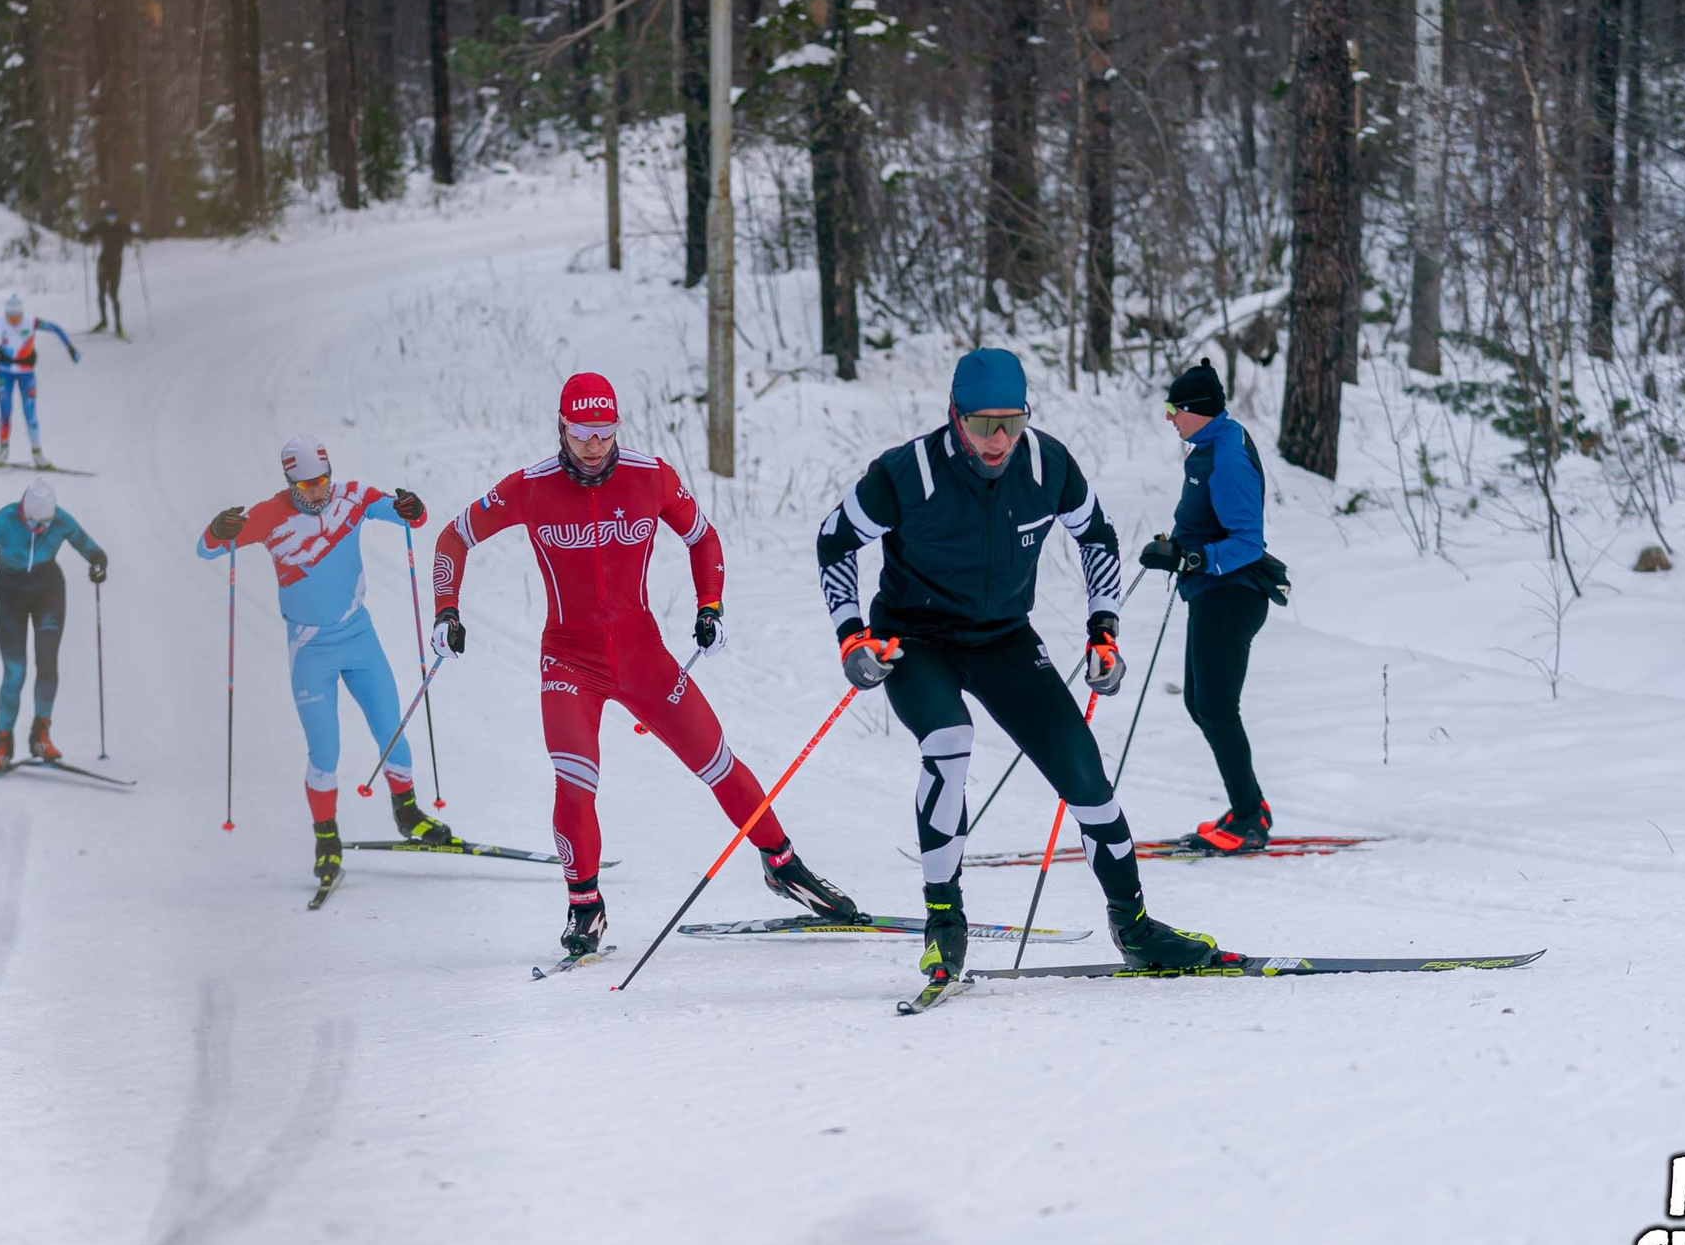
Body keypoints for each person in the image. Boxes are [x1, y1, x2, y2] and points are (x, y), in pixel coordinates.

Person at [815, 347, 1224, 995]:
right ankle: (944, 920)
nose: (998, 438)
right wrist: (850, 636)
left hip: (1003, 637)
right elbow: (836, 540)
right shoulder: (907, 473)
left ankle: (1136, 928)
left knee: (1088, 779)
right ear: (955, 418)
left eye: (1012, 421)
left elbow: (1097, 536)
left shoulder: (1046, 463)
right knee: (950, 741)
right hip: (913, 636)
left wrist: (1104, 630)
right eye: (982, 425)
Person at [430, 371, 864, 958]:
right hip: (569, 661)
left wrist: (709, 606)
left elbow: (703, 539)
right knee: (576, 782)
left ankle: (782, 864)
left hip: (643, 657)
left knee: (717, 761)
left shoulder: (649, 475)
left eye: (605, 432)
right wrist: (445, 611)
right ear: (562, 427)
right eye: (582, 432)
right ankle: (585, 905)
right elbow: (453, 539)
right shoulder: (529, 487)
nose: (594, 446)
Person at [199, 436, 451, 892]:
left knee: (391, 727)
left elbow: (407, 514)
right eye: (306, 484)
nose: (318, 492)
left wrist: (412, 507)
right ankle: (327, 840)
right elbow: (208, 549)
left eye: (322, 481)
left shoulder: (351, 497)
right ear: (289, 481)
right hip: (310, 650)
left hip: (360, 638)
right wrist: (218, 530)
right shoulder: (269, 515)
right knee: (325, 752)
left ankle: (408, 814)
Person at [1139, 358, 1289, 853]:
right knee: (1199, 704)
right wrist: (1176, 548)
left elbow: (1247, 541)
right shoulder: (1207, 445)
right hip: (1210, 593)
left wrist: (1194, 556)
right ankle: (1250, 806)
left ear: (1197, 411)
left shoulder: (1225, 456)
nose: (1169, 418)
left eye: (1173, 409)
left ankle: (1249, 819)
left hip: (1233, 596)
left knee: (1217, 708)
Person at [0, 479, 107, 773]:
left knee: (47, 663)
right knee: (15, 672)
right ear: (23, 510)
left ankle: (41, 735)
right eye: (33, 522)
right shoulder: (5, 519)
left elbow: (93, 550)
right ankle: (3, 744)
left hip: (47, 592)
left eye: (44, 524)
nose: (39, 529)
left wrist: (98, 564)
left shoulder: (60, 519)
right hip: (9, 594)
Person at [0, 294, 79, 469]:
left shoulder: (31, 322)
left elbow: (55, 329)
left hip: (26, 374)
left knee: (30, 413)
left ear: (22, 314)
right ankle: (2, 451)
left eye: (17, 317)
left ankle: (38, 453)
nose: (14, 321)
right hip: (4, 374)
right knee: (5, 411)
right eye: (11, 317)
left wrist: (70, 348)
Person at [89, 204, 130, 337]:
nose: (110, 220)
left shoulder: (122, 227)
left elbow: (134, 235)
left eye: (112, 217)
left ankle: (118, 324)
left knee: (113, 294)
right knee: (101, 293)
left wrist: (138, 240)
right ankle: (103, 321)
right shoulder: (101, 226)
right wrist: (83, 235)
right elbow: (88, 234)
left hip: (116, 264)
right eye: (108, 217)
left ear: (117, 217)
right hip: (103, 263)